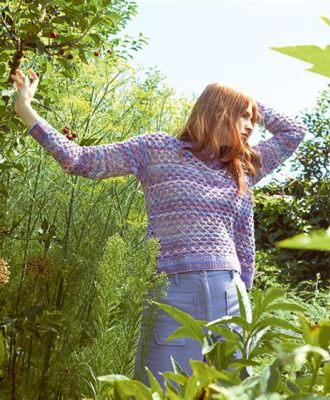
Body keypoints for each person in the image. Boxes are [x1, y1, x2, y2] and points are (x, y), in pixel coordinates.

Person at [12, 68, 308, 390]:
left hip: (229, 293)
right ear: (217, 112)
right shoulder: (156, 149)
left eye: (253, 118)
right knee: (161, 388)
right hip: (172, 292)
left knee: (232, 390)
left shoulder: (242, 167)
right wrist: (25, 110)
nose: (251, 126)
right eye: (242, 117)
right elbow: (82, 160)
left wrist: (248, 102)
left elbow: (294, 132)